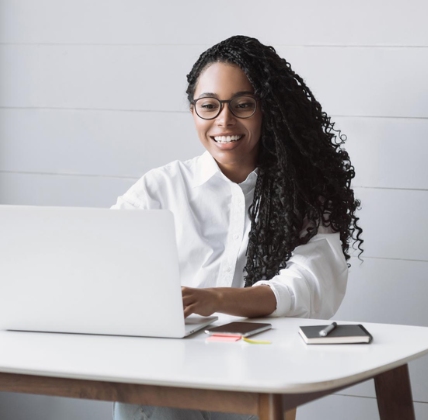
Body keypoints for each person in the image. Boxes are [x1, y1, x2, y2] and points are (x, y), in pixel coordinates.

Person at [112, 35, 363, 420]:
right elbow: (102, 255)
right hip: (163, 371)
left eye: (243, 105)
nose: (224, 121)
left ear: (269, 111)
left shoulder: (302, 195)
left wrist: (216, 299)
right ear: (194, 111)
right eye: (208, 106)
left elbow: (310, 286)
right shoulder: (161, 187)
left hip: (257, 372)